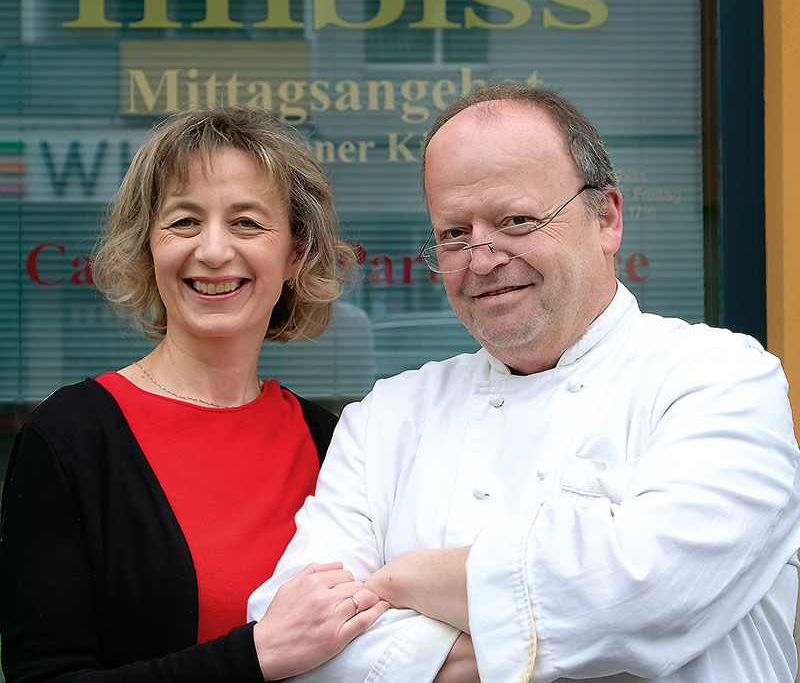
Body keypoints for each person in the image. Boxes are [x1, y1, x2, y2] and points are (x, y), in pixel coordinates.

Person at [247, 82, 800, 683]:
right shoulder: (388, 415)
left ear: (607, 217)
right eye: (454, 233)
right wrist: (553, 610)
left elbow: (648, 594)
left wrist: (403, 580)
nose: (482, 260)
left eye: (516, 221)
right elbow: (290, 638)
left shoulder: (720, 379)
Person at [0, 107, 388, 682]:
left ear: (296, 255)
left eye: (247, 223)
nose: (211, 251)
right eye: (183, 221)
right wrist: (251, 657)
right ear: (148, 246)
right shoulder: (72, 438)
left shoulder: (333, 443)